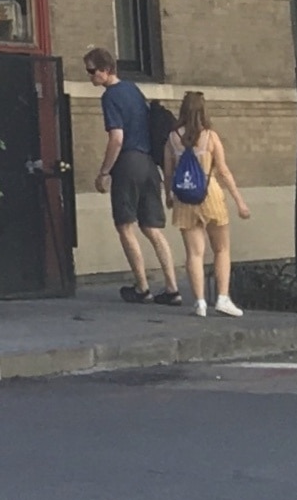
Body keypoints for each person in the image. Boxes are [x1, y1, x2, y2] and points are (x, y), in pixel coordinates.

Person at [84, 42, 181, 305]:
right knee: (152, 228)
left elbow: (116, 137)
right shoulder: (134, 90)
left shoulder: (110, 97)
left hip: (127, 163)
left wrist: (104, 171)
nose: (90, 76)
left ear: (105, 70)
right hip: (149, 164)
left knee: (125, 226)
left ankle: (142, 287)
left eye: (92, 72)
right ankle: (173, 288)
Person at [164, 89, 252, 318]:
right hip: (209, 193)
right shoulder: (210, 137)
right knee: (221, 249)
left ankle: (200, 303)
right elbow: (223, 170)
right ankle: (223, 298)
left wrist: (168, 195)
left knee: (194, 253)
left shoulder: (173, 138)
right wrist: (239, 201)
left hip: (184, 197)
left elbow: (168, 171)